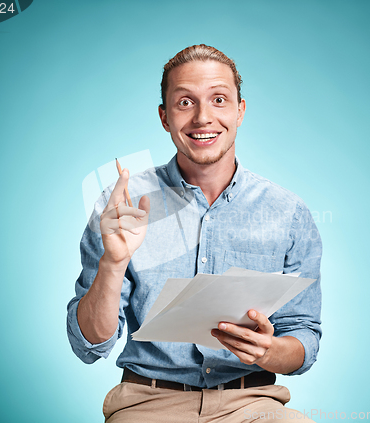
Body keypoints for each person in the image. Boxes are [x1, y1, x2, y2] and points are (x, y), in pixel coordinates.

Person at [67, 44, 322, 422]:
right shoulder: (122, 204)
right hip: (147, 403)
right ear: (164, 117)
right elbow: (89, 345)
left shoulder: (288, 213)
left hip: (251, 403)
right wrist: (112, 262)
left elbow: (304, 336)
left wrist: (267, 351)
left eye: (219, 100)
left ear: (240, 111)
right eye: (185, 102)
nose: (204, 117)